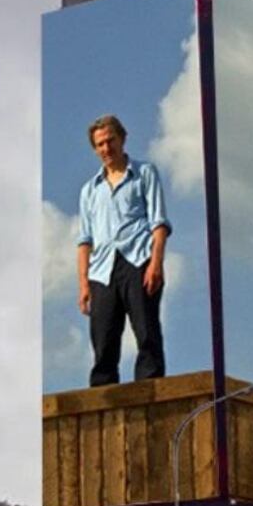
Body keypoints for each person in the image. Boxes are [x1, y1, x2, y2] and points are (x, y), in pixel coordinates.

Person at [76, 114, 170, 386]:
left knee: (146, 332)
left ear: (122, 139)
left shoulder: (144, 173)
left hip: (138, 259)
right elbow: (84, 241)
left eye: (110, 141)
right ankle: (103, 398)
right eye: (100, 145)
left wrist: (156, 263)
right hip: (102, 270)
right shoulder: (89, 191)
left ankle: (149, 391)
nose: (106, 149)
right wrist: (83, 284)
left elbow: (159, 223)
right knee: (103, 340)